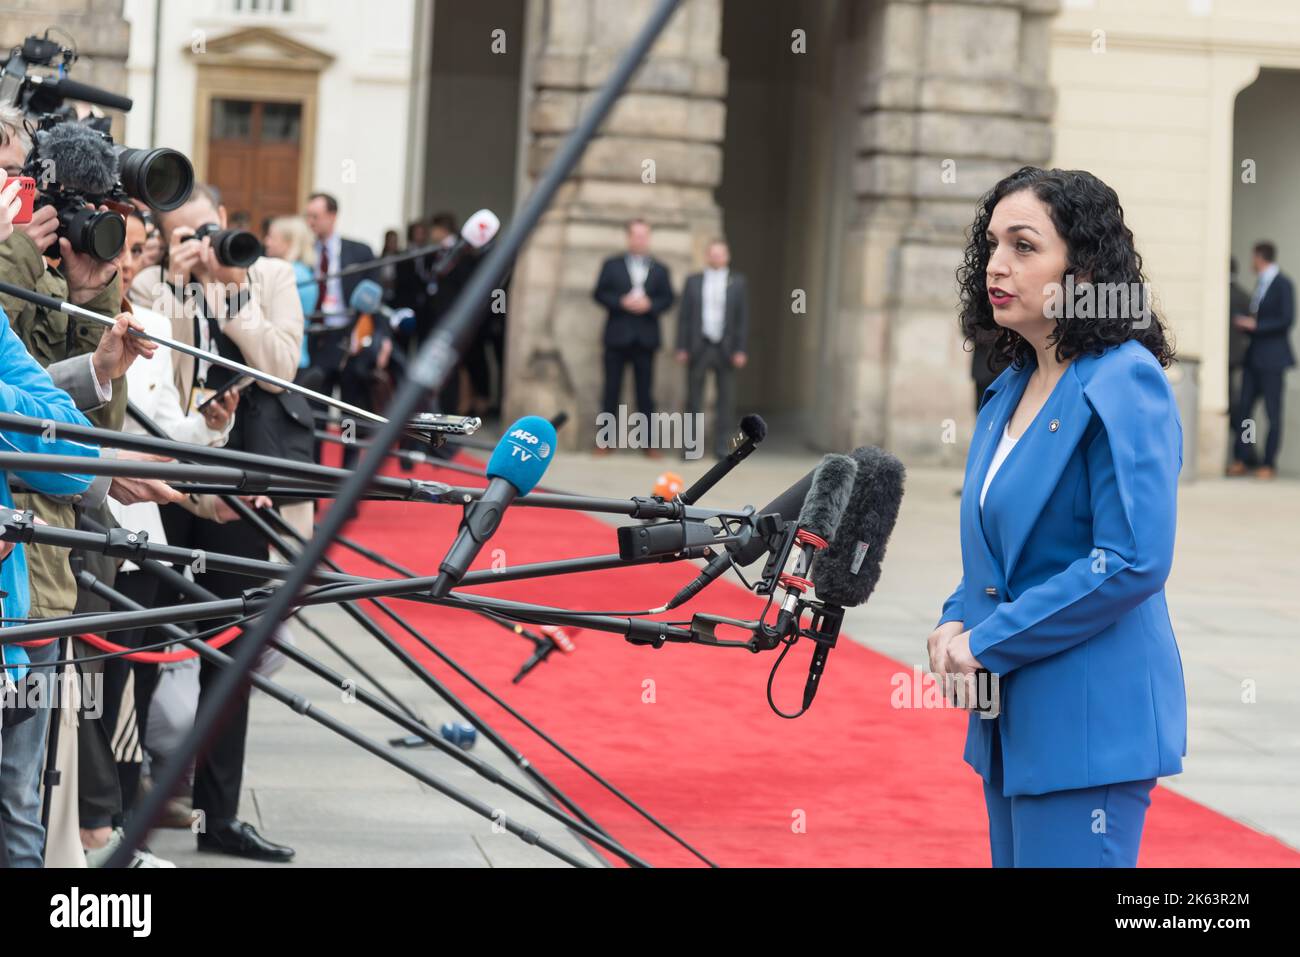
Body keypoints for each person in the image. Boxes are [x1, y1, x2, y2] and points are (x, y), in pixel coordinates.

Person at [929, 166, 1186, 868]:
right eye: (992, 245)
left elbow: (1133, 558)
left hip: (1088, 723)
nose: (997, 265)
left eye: (1024, 246)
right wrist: (956, 615)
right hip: (1011, 720)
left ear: (1084, 267)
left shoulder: (1123, 379)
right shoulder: (1008, 388)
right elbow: (1003, 550)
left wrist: (988, 642)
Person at [0, 107, 179, 868]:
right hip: (26, 566)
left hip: (41, 573)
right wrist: (12, 265)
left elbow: (67, 431)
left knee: (20, 791)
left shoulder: (54, 273)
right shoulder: (11, 265)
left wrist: (93, 296)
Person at [131, 182, 305, 862]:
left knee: (231, 647)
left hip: (242, 490)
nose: (201, 245)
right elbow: (158, 381)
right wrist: (176, 289)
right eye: (184, 235)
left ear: (226, 220)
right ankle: (123, 805)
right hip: (167, 484)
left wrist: (233, 299)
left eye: (207, 229)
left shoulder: (272, 274)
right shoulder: (148, 283)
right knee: (143, 634)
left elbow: (280, 373)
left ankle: (220, 815)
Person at [592, 218, 674, 458]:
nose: (640, 240)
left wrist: (650, 304)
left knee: (645, 394)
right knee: (611, 390)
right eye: (636, 235)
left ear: (648, 238)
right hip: (616, 337)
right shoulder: (611, 265)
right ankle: (605, 441)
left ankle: (648, 443)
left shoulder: (660, 268)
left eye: (644, 236)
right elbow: (599, 293)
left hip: (645, 339)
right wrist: (620, 302)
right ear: (629, 237)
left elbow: (668, 298)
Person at [303, 191, 377, 418]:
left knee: (351, 411)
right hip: (317, 337)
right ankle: (312, 455)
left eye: (316, 216)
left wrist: (370, 335)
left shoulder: (359, 252)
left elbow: (375, 299)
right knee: (314, 409)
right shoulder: (304, 252)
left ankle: (352, 454)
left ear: (332, 216)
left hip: (348, 336)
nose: (310, 223)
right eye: (308, 217)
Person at [675, 238, 749, 458]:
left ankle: (721, 448)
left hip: (725, 349)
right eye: (713, 254)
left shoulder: (738, 282)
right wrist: (682, 346)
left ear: (727, 256)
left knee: (725, 401)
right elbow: (684, 317)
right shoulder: (693, 281)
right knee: (693, 399)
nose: (716, 257)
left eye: (721, 254)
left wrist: (740, 349)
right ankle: (691, 448)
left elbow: (742, 318)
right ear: (707, 256)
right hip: (699, 346)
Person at [1228, 241, 1294, 479]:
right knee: (1244, 409)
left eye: (1253, 258)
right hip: (1253, 358)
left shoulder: (1283, 284)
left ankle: (1269, 463)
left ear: (1259, 257)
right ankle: (1243, 457)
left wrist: (1256, 326)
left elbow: (1287, 319)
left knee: (1272, 413)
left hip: (1273, 360)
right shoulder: (1261, 284)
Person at [263, 215, 321, 371]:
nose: (266, 242)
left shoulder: (290, 274)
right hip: (298, 357)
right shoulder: (303, 271)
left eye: (271, 237)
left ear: (288, 243)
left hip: (284, 361)